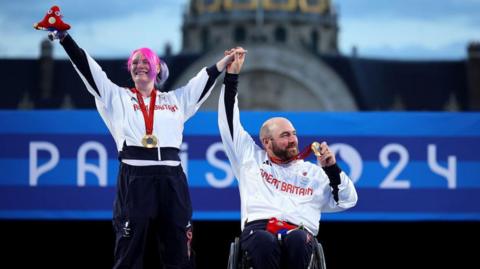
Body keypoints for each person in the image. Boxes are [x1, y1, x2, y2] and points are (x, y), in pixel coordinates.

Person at [38, 8, 242, 269]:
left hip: (172, 179)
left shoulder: (174, 100)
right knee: (129, 252)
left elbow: (200, 83)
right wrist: (64, 37)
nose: (140, 65)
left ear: (157, 69)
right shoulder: (117, 97)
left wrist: (223, 64)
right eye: (135, 63)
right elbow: (89, 70)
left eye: (146, 61)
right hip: (135, 178)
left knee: (179, 251)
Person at [218, 52, 358, 268]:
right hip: (259, 230)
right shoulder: (250, 158)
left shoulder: (313, 173)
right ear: (266, 142)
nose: (293, 140)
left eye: (293, 134)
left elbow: (347, 200)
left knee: (297, 239)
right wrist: (232, 77)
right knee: (264, 240)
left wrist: (332, 169)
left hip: (300, 232)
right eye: (285, 136)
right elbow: (228, 120)